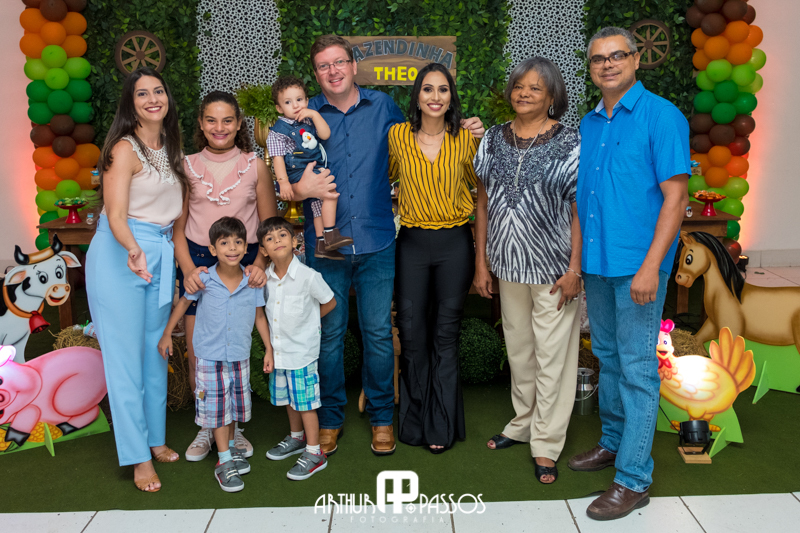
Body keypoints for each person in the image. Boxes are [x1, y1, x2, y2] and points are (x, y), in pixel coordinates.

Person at [291, 34, 485, 457]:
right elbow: (284, 174)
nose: (333, 71)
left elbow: (421, 138)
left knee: (379, 334)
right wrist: (297, 189)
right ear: (316, 73)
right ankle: (330, 420)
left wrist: (471, 129)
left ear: (353, 65)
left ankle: (382, 419)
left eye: (339, 62)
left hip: (377, 240)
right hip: (327, 244)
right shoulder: (302, 116)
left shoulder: (384, 109)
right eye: (324, 66)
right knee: (330, 335)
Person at [569, 27, 690, 520]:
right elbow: (585, 200)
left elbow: (676, 198)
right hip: (598, 266)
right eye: (599, 59)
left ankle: (634, 479)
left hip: (639, 267)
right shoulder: (589, 123)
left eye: (617, 55)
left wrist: (651, 267)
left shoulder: (662, 116)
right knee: (609, 357)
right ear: (591, 68)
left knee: (637, 368)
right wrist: (578, 263)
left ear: (636, 60)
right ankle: (614, 443)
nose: (608, 64)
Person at [473, 57, 582, 484]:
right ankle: (522, 423)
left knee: (553, 357)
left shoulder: (571, 141)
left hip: (555, 269)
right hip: (506, 265)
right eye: (519, 86)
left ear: (552, 96)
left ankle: (547, 442)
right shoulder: (493, 139)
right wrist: (481, 262)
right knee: (519, 352)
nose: (524, 93)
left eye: (535, 88)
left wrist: (575, 269)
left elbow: (580, 209)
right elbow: (482, 203)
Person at [85, 67, 186, 492]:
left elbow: (176, 220)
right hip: (120, 255)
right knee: (125, 361)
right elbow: (115, 214)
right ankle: (137, 456)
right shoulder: (123, 149)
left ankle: (155, 439)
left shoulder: (172, 147)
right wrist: (132, 249)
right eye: (142, 93)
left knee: (156, 350)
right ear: (130, 104)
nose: (152, 99)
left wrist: (178, 266)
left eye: (158, 91)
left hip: (159, 254)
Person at [176, 91, 278, 463]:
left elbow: (268, 225)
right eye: (211, 120)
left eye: (227, 120)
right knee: (199, 355)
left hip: (243, 263)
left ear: (239, 125)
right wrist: (188, 270)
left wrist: (260, 265)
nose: (219, 127)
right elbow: (177, 230)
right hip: (200, 265)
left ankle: (234, 429)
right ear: (201, 125)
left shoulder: (255, 165)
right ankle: (208, 427)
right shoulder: (186, 166)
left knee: (235, 355)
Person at [388, 63, 478, 454]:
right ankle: (413, 424)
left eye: (443, 89)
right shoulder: (397, 136)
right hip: (411, 244)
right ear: (417, 96)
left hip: (455, 244)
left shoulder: (467, 139)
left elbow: (482, 187)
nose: (435, 97)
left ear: (451, 97)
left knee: (445, 336)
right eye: (428, 89)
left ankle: (441, 425)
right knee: (411, 334)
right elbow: (380, 178)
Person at [158, 217, 272, 493]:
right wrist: (167, 334)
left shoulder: (251, 282)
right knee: (219, 410)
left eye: (238, 242)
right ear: (212, 249)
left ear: (246, 248)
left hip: (239, 355)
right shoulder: (203, 279)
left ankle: (230, 448)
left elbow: (259, 316)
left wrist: (269, 348)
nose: (232, 248)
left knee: (234, 405)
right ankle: (223, 461)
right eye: (224, 243)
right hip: (210, 357)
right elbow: (183, 304)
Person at [258, 217, 336, 480]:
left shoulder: (308, 276)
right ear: (263, 250)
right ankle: (296, 438)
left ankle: (315, 452)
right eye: (270, 238)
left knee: (305, 403)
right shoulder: (266, 279)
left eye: (282, 235)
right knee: (289, 399)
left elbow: (330, 302)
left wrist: (310, 323)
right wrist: (269, 349)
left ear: (295, 241)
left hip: (302, 352)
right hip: (279, 352)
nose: (277, 241)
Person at [267, 75, 352, 260]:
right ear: (279, 108)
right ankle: (330, 234)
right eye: (288, 102)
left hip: (313, 166)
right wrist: (283, 182)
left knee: (318, 205)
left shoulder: (308, 121)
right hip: (297, 172)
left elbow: (325, 134)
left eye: (299, 99)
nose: (295, 105)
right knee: (330, 193)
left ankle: (321, 244)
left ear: (306, 100)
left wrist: (314, 114)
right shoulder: (278, 132)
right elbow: (278, 159)